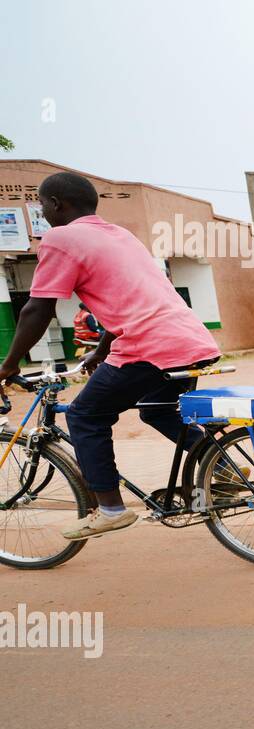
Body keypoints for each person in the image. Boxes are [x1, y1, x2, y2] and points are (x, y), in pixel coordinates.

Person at [0, 172, 221, 539]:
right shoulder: (120, 234)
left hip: (148, 347)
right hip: (190, 342)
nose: (42, 212)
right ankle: (225, 471)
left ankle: (111, 509)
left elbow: (37, 310)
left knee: (85, 416)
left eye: (42, 205)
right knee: (159, 411)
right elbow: (131, 299)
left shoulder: (60, 237)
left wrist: (8, 366)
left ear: (57, 204)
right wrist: (101, 351)